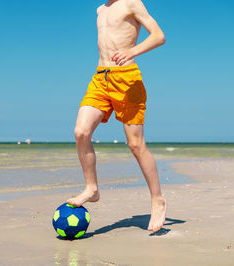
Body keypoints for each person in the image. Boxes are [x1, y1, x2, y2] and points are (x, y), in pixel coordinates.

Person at [67, 0, 167, 232]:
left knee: (135, 145)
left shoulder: (132, 3)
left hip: (127, 80)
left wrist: (132, 51)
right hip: (101, 78)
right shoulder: (100, 10)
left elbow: (159, 36)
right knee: (81, 132)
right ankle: (92, 189)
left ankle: (158, 199)